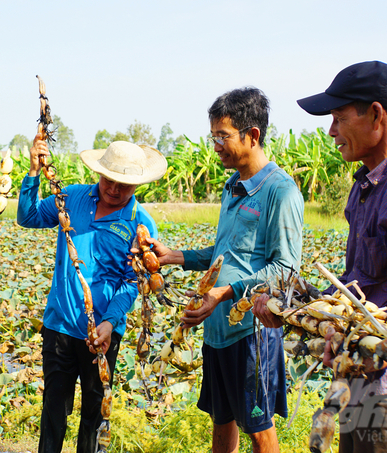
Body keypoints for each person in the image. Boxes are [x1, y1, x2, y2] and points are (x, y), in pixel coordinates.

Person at [256, 60, 387, 453]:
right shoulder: (367, 185)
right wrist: (294, 307)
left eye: (338, 118)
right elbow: (359, 291)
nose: (331, 131)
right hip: (357, 383)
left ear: (377, 115)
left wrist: (372, 348)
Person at [144, 87, 303, 453]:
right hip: (216, 330)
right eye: (213, 135)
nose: (215, 145)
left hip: (251, 333)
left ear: (253, 135)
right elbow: (223, 254)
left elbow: (286, 270)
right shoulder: (232, 187)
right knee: (222, 421)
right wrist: (173, 256)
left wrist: (225, 293)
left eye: (223, 136)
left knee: (260, 431)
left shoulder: (280, 192)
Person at [17, 135, 167, 453]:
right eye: (108, 180)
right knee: (53, 411)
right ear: (99, 172)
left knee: (95, 416)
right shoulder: (70, 197)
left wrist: (110, 324)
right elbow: (27, 217)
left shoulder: (141, 225)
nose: (113, 189)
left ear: (138, 183)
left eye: (123, 185)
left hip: (102, 335)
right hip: (59, 326)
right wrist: (32, 171)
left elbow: (131, 283)